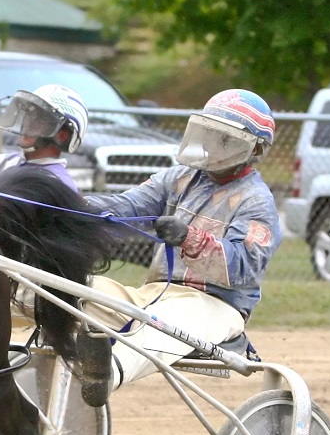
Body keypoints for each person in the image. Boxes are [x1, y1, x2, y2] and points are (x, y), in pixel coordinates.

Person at [76, 88, 282, 407]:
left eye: (224, 139)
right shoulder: (179, 178)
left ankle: (107, 372)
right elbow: (126, 206)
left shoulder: (256, 201)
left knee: (164, 318)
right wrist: (73, 205)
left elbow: (243, 268)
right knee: (79, 291)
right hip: (157, 294)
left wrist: (189, 238)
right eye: (210, 135)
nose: (213, 146)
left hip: (218, 306)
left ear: (252, 148)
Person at [0, 83, 88, 193]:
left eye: (40, 120)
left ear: (61, 136)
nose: (28, 124)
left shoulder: (60, 186)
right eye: (29, 115)